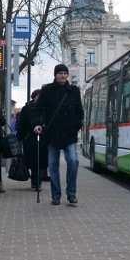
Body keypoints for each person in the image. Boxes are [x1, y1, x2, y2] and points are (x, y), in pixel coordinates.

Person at [33, 64, 84, 206]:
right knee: (53, 165)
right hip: (52, 134)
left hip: (69, 133)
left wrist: (77, 125)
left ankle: (71, 193)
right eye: (60, 73)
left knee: (73, 161)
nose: (62, 75)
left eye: (65, 73)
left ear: (67, 75)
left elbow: (79, 111)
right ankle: (56, 195)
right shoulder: (47, 90)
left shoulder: (74, 91)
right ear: (55, 75)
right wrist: (37, 124)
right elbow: (38, 109)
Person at [18, 89, 48, 191]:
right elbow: (21, 124)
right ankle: (35, 181)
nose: (39, 99)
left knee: (40, 160)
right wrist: (19, 138)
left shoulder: (45, 109)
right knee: (33, 161)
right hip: (29, 138)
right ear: (33, 97)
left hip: (43, 138)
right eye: (37, 96)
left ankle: (37, 182)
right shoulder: (27, 108)